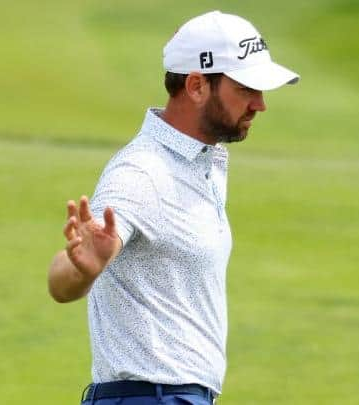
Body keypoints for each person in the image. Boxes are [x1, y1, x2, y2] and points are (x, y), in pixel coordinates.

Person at [48, 10, 299, 405]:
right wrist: (83, 269)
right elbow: (61, 280)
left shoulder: (204, 161)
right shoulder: (142, 172)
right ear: (197, 86)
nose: (260, 104)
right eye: (247, 88)